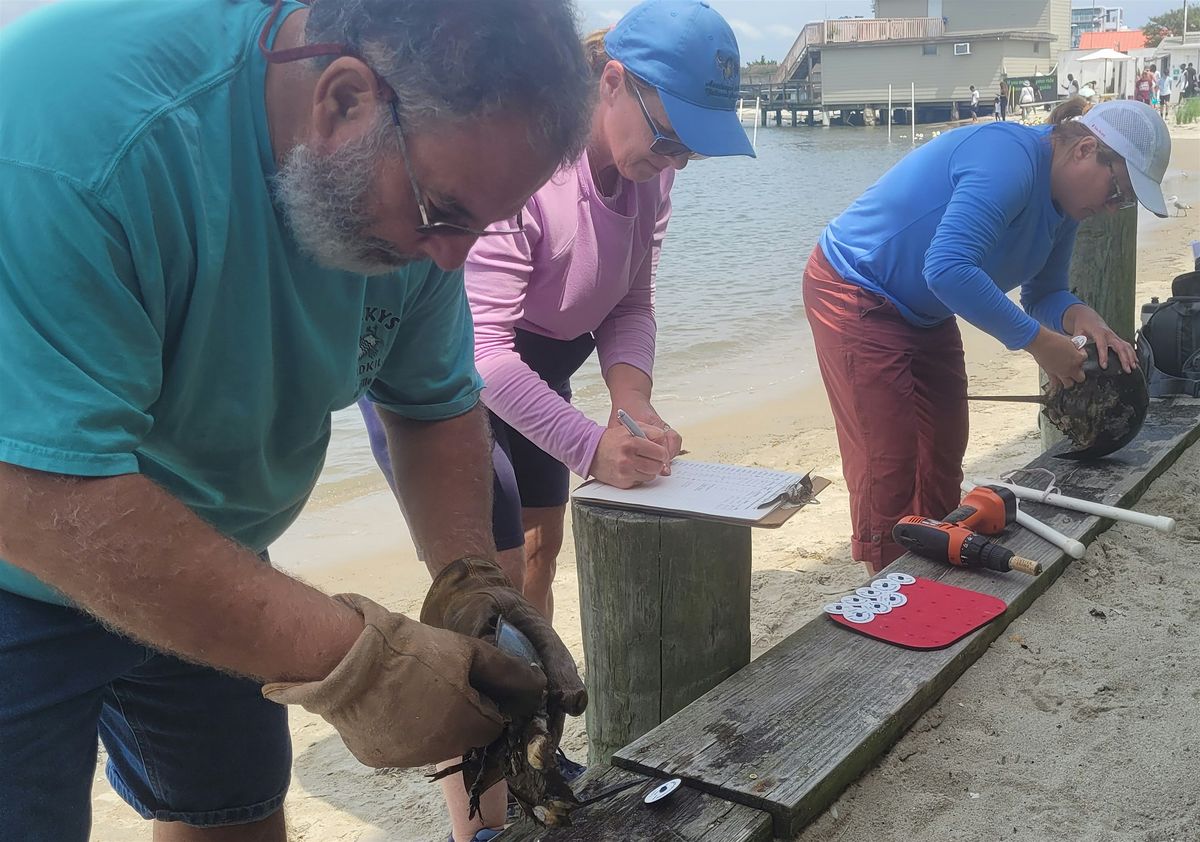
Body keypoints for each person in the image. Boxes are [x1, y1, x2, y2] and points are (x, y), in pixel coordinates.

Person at [0, 1, 595, 840]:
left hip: (210, 542)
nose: (453, 258)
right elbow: (40, 491)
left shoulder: (426, 200)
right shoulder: (75, 136)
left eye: (482, 226)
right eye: (446, 214)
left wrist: (468, 580)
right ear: (344, 99)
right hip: (19, 542)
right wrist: (361, 666)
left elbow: (432, 406)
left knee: (232, 818)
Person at [360, 3, 754, 837]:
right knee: (479, 601)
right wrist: (587, 445)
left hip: (541, 365)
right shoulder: (527, 166)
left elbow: (630, 300)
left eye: (691, 146)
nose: (678, 158)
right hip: (452, 372)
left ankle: (531, 741)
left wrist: (632, 402)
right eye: (672, 135)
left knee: (538, 556)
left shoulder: (652, 173)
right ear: (612, 83)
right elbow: (484, 354)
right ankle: (483, 822)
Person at [801, 98, 1170, 574]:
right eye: (1118, 189)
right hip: (855, 288)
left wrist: (1083, 317)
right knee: (888, 457)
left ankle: (932, 560)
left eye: (1126, 202)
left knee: (944, 443)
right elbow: (949, 269)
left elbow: (1045, 293)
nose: (1113, 207)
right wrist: (1040, 344)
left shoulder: (1064, 208)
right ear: (1084, 149)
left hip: (926, 310)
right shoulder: (1009, 159)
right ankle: (887, 583)